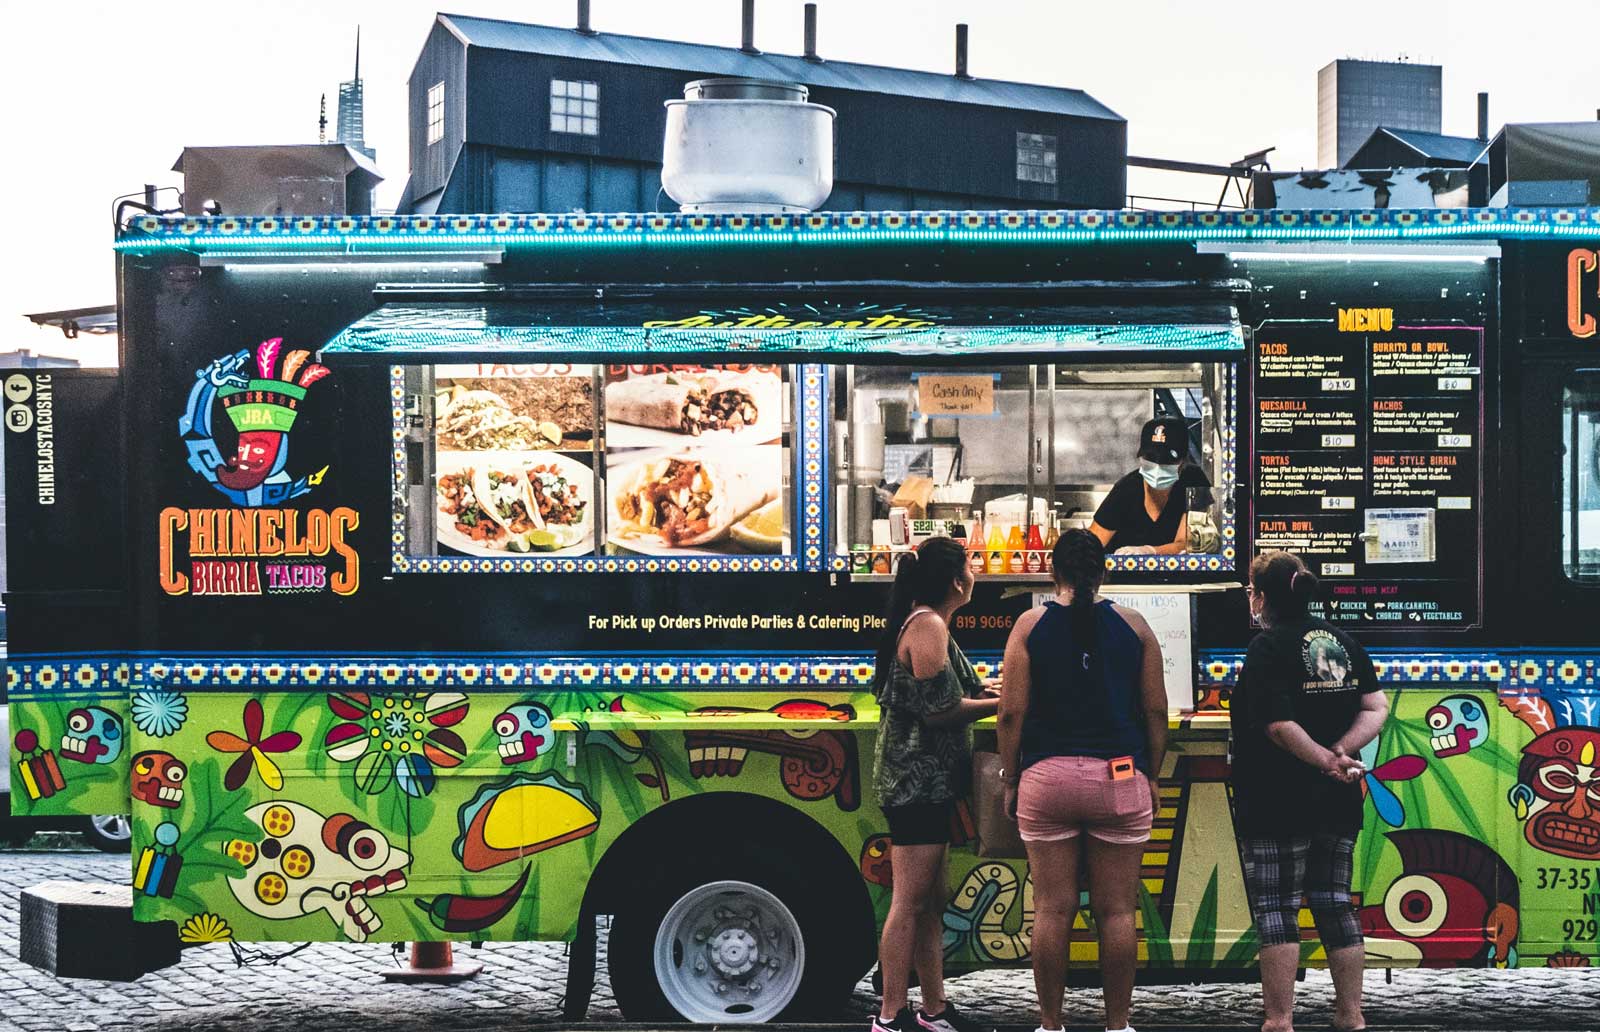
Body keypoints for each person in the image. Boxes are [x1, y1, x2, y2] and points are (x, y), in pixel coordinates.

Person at [995, 529, 1167, 1032]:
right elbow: (1155, 710)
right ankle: (1118, 1024)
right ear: (1104, 572)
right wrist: (1150, 774)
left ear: (1055, 574)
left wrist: (1011, 778)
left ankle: (1051, 1023)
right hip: (1119, 778)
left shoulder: (1029, 625)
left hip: (1046, 781)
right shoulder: (1135, 627)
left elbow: (1011, 713)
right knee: (1116, 912)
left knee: (1052, 909)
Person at [1231, 551, 1389, 1032]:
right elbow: (1376, 706)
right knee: (1335, 902)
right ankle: (1350, 1014)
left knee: (1278, 909)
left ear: (1261, 597)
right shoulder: (1339, 640)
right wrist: (1340, 753)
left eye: (1251, 592)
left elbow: (1279, 726)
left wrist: (1323, 759)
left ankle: (1279, 1020)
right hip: (1337, 798)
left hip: (1278, 798)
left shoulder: (1268, 647)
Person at [870, 536, 1000, 1032]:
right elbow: (941, 711)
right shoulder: (927, 626)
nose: (975, 574)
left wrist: (987, 689)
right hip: (915, 783)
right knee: (909, 901)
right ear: (954, 580)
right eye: (970, 566)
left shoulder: (930, 622)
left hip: (927, 782)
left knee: (928, 900)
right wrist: (1007, 702)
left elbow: (947, 690)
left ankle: (934, 1007)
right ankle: (890, 1013)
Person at [1090, 416, 1213, 556]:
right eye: (1150, 458)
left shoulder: (1193, 481)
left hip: (1175, 574)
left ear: (1183, 462)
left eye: (1167, 461)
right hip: (1123, 575)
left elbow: (1187, 543)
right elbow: (1091, 544)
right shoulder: (1126, 489)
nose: (1157, 466)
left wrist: (1150, 551)